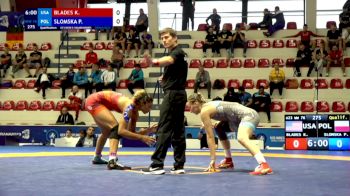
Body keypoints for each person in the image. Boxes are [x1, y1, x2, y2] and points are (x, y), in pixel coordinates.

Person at [187, 93, 273, 175]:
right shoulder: (208, 106)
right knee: (219, 127)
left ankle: (264, 165)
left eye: (190, 107)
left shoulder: (204, 111)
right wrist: (219, 121)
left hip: (248, 116)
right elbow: (229, 109)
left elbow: (210, 137)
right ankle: (228, 160)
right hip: (238, 118)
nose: (190, 111)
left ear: (196, 103)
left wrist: (213, 159)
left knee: (242, 138)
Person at [142, 28, 188, 175]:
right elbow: (175, 69)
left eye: (167, 37)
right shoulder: (177, 54)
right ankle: (179, 165)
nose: (164, 40)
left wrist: (153, 61)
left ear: (175, 39)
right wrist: (165, 79)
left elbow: (168, 61)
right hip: (179, 94)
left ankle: (157, 164)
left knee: (163, 129)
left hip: (173, 95)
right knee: (178, 130)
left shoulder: (177, 52)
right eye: (162, 38)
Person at [85, 90, 156, 169]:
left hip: (95, 102)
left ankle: (97, 157)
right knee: (115, 128)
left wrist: (147, 131)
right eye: (149, 106)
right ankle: (112, 161)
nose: (150, 109)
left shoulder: (135, 113)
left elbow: (130, 133)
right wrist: (142, 138)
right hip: (93, 101)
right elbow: (121, 131)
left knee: (106, 132)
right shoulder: (129, 107)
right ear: (143, 103)